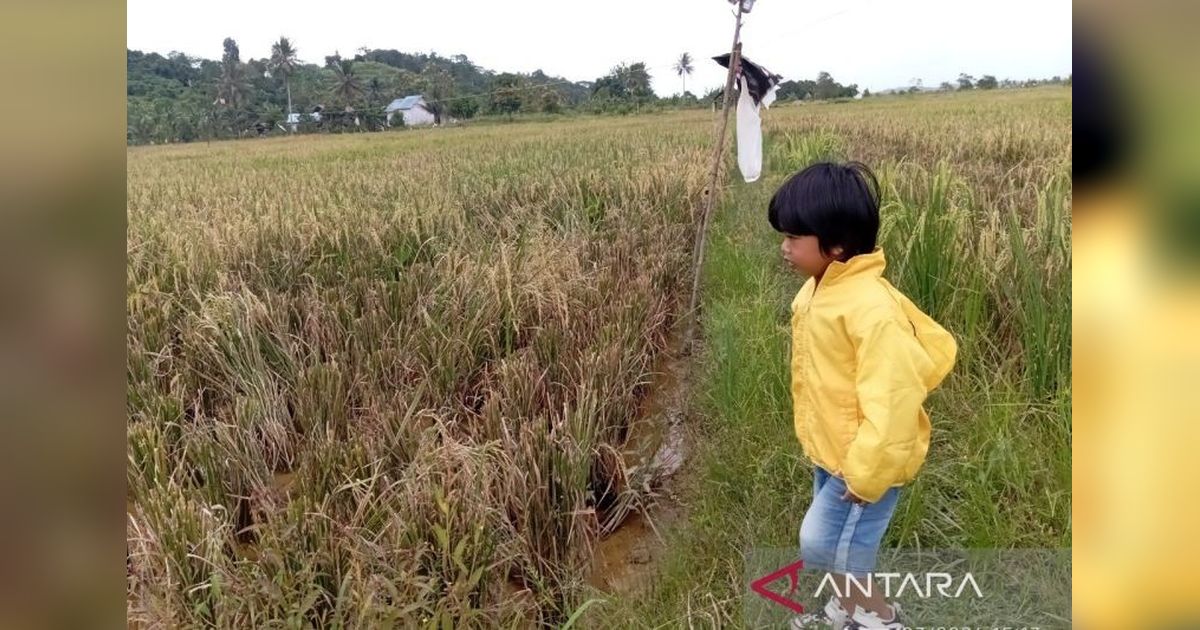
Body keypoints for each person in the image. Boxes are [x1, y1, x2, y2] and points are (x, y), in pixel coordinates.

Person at [770, 162, 957, 629]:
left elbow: (894, 401)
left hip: (866, 463)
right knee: (837, 547)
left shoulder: (871, 311)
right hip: (835, 453)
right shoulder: (818, 292)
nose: (784, 248)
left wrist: (867, 474)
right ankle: (848, 609)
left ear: (835, 246)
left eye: (794, 238)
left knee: (829, 545)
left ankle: (879, 619)